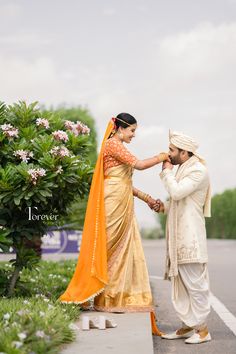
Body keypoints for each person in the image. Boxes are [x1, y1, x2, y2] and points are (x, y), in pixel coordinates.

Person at [60, 113, 169, 335]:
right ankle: (87, 294)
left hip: (123, 201)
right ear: (120, 128)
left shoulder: (118, 146)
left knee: (119, 251)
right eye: (132, 131)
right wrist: (161, 157)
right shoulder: (113, 144)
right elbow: (138, 165)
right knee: (106, 247)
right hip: (112, 202)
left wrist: (147, 199)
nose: (134, 135)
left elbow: (126, 181)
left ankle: (110, 298)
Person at [156, 130, 212, 344]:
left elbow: (177, 193)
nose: (168, 155)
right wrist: (161, 206)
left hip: (191, 238)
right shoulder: (184, 170)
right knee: (183, 285)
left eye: (172, 150)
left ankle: (203, 330)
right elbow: (179, 202)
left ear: (184, 152)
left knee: (196, 285)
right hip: (179, 238)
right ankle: (189, 325)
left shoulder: (197, 171)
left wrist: (167, 172)